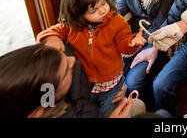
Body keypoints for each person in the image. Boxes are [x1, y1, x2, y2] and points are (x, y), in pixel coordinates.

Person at [36, 0, 146, 118]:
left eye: (104, 3)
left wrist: (131, 43)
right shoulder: (72, 26)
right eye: (93, 10)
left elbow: (123, 43)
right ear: (78, 15)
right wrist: (51, 37)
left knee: (107, 113)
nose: (103, 10)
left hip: (111, 84)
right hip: (86, 85)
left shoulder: (116, 21)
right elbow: (52, 30)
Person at [0, 44, 137, 118]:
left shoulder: (46, 95)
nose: (73, 61)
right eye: (67, 70)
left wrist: (114, 81)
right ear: (36, 113)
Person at [103, 0, 172, 100]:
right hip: (132, 40)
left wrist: (142, 41)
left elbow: (161, 21)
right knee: (117, 78)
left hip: (155, 40)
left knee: (133, 82)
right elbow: (114, 16)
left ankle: (144, 106)